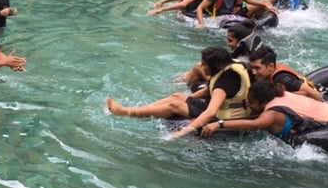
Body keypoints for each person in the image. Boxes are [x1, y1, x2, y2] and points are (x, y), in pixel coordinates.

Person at [107, 47, 251, 138]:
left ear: (214, 66)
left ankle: (126, 112)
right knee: (177, 97)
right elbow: (209, 89)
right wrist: (188, 99)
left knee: (174, 106)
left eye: (204, 65)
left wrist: (184, 131)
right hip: (221, 108)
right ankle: (142, 109)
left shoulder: (225, 82)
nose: (201, 66)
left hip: (225, 117)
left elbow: (211, 112)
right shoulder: (230, 66)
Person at [199, 80, 328, 142]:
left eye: (252, 103)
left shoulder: (271, 114)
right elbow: (306, 94)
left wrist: (219, 124)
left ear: (264, 102)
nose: (250, 106)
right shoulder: (282, 94)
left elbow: (255, 124)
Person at [249, 45, 322, 100]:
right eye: (252, 68)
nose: (253, 72)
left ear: (271, 66)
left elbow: (315, 95)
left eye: (257, 68)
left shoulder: (282, 79)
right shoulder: (266, 75)